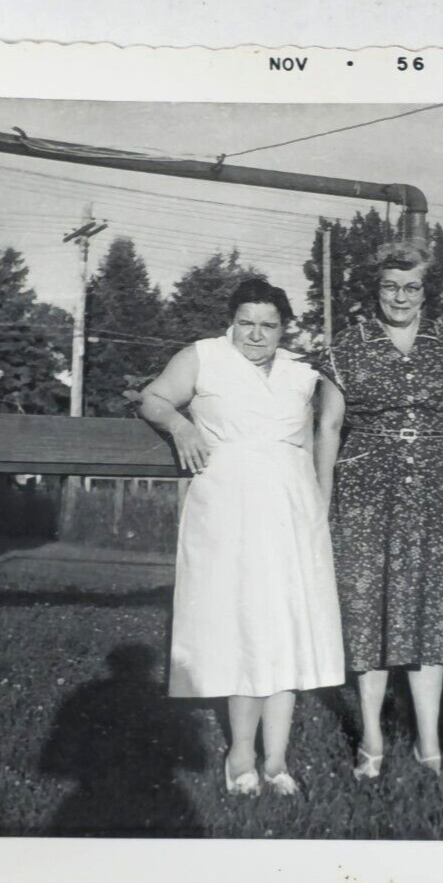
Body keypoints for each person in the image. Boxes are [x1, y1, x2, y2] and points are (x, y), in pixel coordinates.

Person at [136, 278, 344, 798]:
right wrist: (181, 427)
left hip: (291, 511)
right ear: (231, 322)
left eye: (268, 325)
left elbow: (317, 438)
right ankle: (242, 756)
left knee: (287, 626)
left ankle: (276, 761)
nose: (255, 334)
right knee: (242, 625)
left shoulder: (302, 372)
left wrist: (318, 501)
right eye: (246, 323)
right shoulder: (204, 356)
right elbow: (153, 399)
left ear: (283, 328)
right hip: (228, 508)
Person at [314, 239, 443, 779]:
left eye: (411, 287)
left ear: (426, 291)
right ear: (375, 288)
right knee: (368, 609)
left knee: (432, 609)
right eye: (389, 286)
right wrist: (323, 501)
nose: (400, 297)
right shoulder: (347, 345)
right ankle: (372, 741)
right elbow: (329, 425)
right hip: (364, 491)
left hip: (435, 491)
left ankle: (429, 745)